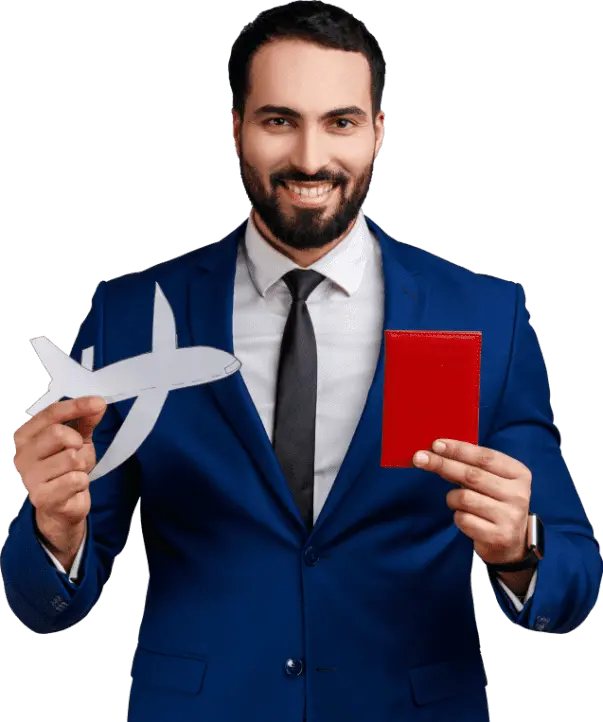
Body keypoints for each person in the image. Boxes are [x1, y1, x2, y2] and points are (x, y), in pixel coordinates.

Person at [3, 2, 601, 721]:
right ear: (237, 130)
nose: (310, 158)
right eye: (279, 120)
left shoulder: (481, 316)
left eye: (341, 122)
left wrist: (518, 548)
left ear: (380, 131)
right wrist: (53, 530)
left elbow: (572, 583)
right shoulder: (133, 314)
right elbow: (47, 609)